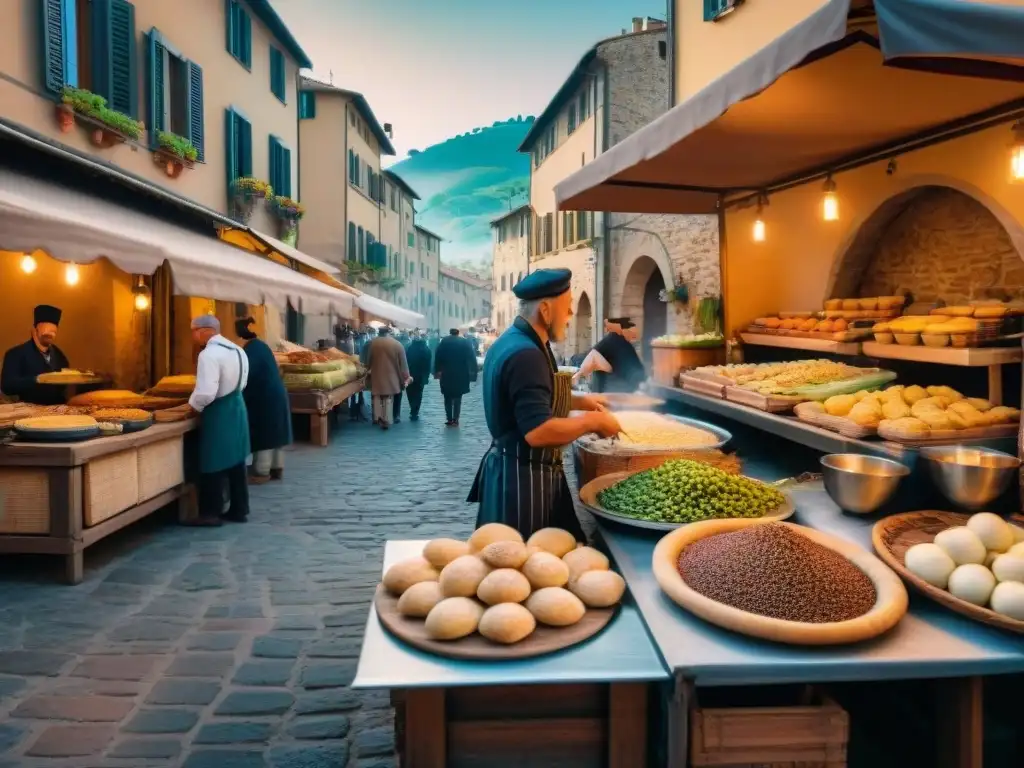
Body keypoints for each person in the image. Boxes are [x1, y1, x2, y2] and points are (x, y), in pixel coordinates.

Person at [468, 268, 621, 540]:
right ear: (546, 310)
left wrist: (584, 401)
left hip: (514, 471)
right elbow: (538, 431)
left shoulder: (515, 340)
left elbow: (529, 398)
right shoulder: (526, 354)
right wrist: (593, 422)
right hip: (523, 483)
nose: (571, 314)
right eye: (568, 306)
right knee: (523, 568)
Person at [187, 315, 251, 526]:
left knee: (212, 460)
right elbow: (243, 381)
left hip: (220, 410)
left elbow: (206, 391)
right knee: (236, 460)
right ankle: (239, 508)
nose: (193, 335)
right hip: (237, 406)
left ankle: (210, 513)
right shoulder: (238, 350)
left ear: (205, 331)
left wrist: (192, 408)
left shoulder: (209, 354)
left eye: (194, 330)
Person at [235, 318, 292, 484]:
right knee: (275, 433)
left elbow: (245, 375)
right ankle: (276, 468)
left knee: (264, 434)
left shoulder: (251, 351)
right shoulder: (262, 346)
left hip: (264, 397)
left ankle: (261, 472)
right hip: (276, 394)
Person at [1, 305, 71, 405]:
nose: (51, 335)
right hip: (29, 410)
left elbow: (65, 384)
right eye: (46, 332)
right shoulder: (16, 353)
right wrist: (37, 379)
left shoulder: (59, 355)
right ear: (34, 330)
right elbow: (7, 386)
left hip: (58, 410)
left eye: (53, 332)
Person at [575, 317, 647, 394]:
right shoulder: (616, 341)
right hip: (613, 394)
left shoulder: (616, 341)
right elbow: (592, 357)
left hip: (611, 392)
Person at [366, 325, 410, 430]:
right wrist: (406, 377)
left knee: (377, 397)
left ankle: (377, 417)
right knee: (392, 397)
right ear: (389, 332)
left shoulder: (372, 344)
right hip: (393, 377)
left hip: (377, 376)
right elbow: (403, 364)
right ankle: (391, 417)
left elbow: (368, 361)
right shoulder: (397, 344)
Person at [434, 328, 478, 427]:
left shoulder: (444, 342)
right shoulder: (465, 342)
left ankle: (449, 419)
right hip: (461, 373)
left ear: (450, 333)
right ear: (458, 333)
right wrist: (473, 372)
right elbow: (472, 357)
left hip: (447, 373)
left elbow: (438, 356)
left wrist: (437, 370)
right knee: (458, 397)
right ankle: (456, 419)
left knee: (447, 397)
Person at [405, 332, 433, 421]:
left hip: (410, 374)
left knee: (410, 392)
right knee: (419, 393)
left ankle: (412, 408)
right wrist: (427, 375)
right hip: (421, 375)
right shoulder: (426, 349)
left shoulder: (408, 348)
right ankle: (415, 411)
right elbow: (428, 365)